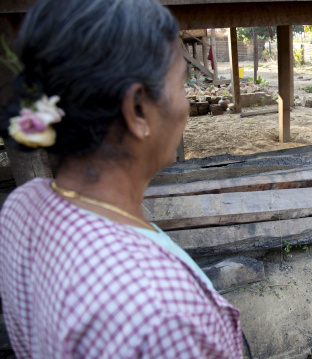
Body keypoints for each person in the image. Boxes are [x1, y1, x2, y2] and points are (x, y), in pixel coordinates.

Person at [0, 0, 247, 357]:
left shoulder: (23, 207)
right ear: (137, 110)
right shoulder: (162, 315)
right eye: (181, 83)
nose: (184, 105)